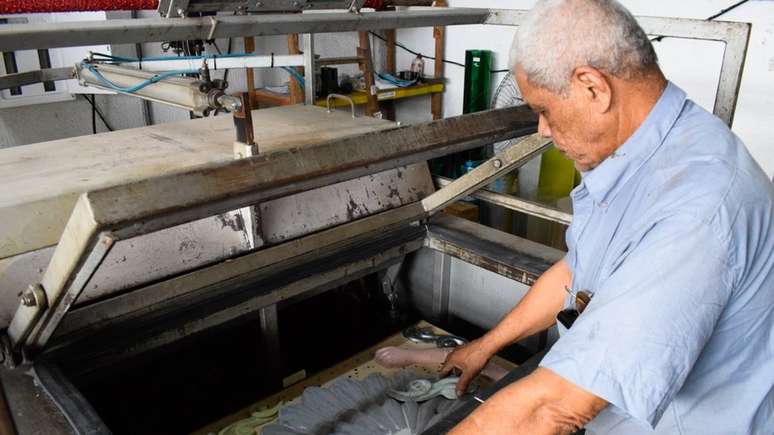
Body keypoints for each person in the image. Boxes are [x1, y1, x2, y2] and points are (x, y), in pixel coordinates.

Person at [438, 1, 774, 434]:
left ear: (593, 88)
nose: (542, 128)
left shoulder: (699, 206)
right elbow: (577, 272)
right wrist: (486, 346)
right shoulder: (641, 160)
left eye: (544, 109)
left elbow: (554, 410)